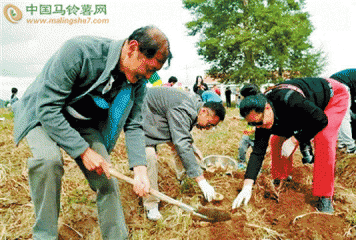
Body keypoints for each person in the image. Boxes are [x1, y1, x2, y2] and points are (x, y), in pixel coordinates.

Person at [12, 26, 171, 240]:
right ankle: (45, 235)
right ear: (132, 48)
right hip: (44, 113)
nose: (148, 76)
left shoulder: (139, 81)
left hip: (83, 121)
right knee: (48, 162)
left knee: (107, 178)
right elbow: (48, 107)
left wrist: (140, 170)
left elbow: (134, 124)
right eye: (148, 69)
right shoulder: (81, 51)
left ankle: (116, 237)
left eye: (153, 72)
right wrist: (83, 151)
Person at [232, 77, 352, 213]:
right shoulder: (261, 119)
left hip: (332, 96)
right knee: (276, 140)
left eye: (261, 122)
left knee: (323, 137)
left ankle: (324, 195)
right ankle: (280, 178)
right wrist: (247, 185)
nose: (260, 126)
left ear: (267, 107)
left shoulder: (289, 100)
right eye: (255, 124)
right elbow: (258, 152)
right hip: (306, 106)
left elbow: (320, 119)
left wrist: (296, 139)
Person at [141, 87, 226, 220]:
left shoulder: (195, 106)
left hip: (160, 118)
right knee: (149, 156)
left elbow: (183, 140)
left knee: (190, 148)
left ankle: (184, 179)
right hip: (143, 117)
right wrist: (201, 180)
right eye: (208, 124)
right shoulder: (184, 108)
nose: (207, 128)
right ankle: (151, 205)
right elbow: (181, 142)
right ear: (204, 111)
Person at [330, 68, 356, 154]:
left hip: (330, 84)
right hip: (341, 85)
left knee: (339, 116)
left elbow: (353, 102)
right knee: (344, 117)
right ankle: (350, 147)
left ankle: (342, 143)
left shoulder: (355, 77)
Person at [237, 84, 260, 169]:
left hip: (259, 133)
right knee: (242, 146)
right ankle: (241, 162)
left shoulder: (260, 104)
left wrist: (256, 127)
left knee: (256, 152)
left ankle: (257, 168)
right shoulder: (248, 104)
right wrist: (239, 118)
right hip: (249, 129)